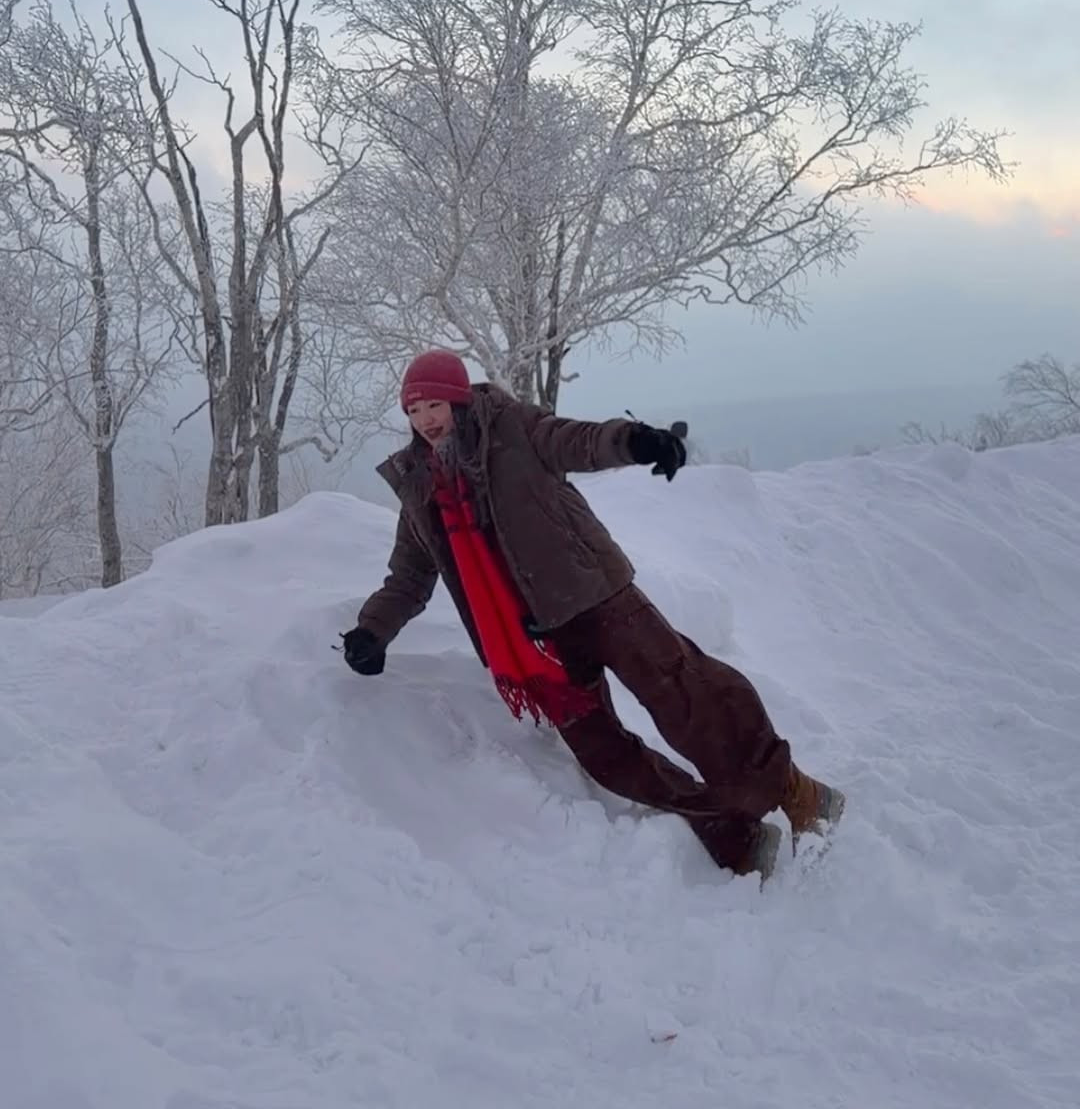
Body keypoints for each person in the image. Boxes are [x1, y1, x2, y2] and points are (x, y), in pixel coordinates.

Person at [340, 350, 844, 882]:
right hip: (531, 640)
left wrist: (637, 440)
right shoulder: (422, 484)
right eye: (414, 411)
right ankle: (734, 833)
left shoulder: (511, 427)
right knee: (605, 755)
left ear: (460, 399)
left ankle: (798, 793)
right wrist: (373, 630)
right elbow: (410, 576)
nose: (426, 421)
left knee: (690, 702)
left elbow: (577, 440)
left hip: (596, 594)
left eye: (435, 405)